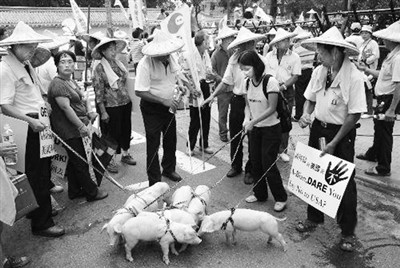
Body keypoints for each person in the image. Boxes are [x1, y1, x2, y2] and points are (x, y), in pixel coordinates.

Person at [296, 26, 366, 252]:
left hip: (341, 134)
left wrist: (335, 142)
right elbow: (310, 98)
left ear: (335, 53)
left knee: (343, 182)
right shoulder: (319, 72)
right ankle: (314, 218)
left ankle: (347, 232)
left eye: (321, 52)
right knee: (315, 174)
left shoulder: (353, 77)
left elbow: (354, 114)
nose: (318, 56)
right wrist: (306, 114)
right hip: (319, 129)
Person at [0, 21, 65, 237]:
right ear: (15, 46)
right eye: (27, 46)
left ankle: (37, 211)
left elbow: (33, 93)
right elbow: (5, 105)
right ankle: (42, 223)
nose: (31, 50)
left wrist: (44, 103)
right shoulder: (5, 68)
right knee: (35, 175)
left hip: (39, 123)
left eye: (34, 46)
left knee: (42, 173)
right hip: (28, 128)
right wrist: (30, 121)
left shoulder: (26, 64)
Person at [203, 27, 265, 184]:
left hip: (254, 102)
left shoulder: (260, 61)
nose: (247, 47)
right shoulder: (233, 60)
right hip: (237, 100)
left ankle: (250, 170)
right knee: (235, 134)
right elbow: (225, 82)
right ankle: (236, 165)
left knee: (252, 138)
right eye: (244, 44)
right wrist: (212, 96)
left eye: (250, 43)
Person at [48, 50, 108, 201]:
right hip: (68, 129)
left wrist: (89, 113)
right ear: (56, 65)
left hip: (77, 126)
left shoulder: (70, 81)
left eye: (70, 62)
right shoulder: (57, 84)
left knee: (75, 161)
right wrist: (81, 126)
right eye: (63, 62)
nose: (67, 65)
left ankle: (75, 191)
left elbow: (81, 99)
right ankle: (92, 192)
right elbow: (66, 108)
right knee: (80, 161)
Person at [135, 30, 186, 185]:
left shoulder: (171, 58)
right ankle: (154, 179)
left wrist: (181, 85)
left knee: (171, 139)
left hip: (170, 104)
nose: (166, 56)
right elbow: (139, 91)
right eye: (163, 53)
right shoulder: (145, 63)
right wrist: (162, 101)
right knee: (153, 142)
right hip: (152, 108)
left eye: (168, 53)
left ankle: (169, 169)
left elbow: (176, 75)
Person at [240, 50, 288, 212]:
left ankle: (281, 197)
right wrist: (247, 119)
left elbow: (272, 108)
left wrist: (253, 121)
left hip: (271, 129)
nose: (244, 71)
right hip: (256, 129)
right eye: (242, 68)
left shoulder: (270, 81)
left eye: (247, 68)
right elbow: (248, 105)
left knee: (268, 163)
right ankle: (259, 193)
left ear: (256, 65)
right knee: (255, 161)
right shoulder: (247, 82)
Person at [355, 20, 400, 176]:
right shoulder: (392, 56)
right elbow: (384, 75)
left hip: (387, 100)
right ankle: (373, 154)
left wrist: (392, 109)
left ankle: (383, 167)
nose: (383, 40)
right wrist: (366, 69)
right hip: (383, 99)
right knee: (378, 128)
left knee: (384, 132)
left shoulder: (398, 58)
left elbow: (399, 84)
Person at [92, 38, 136, 173]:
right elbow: (98, 91)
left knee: (125, 129)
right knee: (111, 134)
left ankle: (125, 153)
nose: (113, 52)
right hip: (111, 106)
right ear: (103, 51)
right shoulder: (99, 68)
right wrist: (103, 111)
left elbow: (125, 82)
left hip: (124, 102)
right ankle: (109, 159)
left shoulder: (118, 64)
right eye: (109, 49)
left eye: (114, 48)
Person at [264, 28, 301, 162]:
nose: (287, 42)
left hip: (287, 90)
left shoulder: (295, 57)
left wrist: (283, 86)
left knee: (285, 120)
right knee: (272, 118)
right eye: (283, 40)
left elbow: (295, 76)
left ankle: (283, 149)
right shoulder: (269, 56)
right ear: (277, 43)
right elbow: (266, 73)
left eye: (287, 40)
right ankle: (272, 147)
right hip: (271, 88)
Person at [187, 30, 215, 155]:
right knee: (195, 119)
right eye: (207, 41)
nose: (208, 43)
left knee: (206, 117)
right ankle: (190, 146)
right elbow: (186, 74)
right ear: (202, 42)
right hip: (195, 86)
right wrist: (193, 88)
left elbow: (209, 69)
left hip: (205, 85)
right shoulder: (191, 54)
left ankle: (204, 144)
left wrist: (211, 75)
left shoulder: (206, 54)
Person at [210, 27, 237, 142]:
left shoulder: (233, 52)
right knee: (223, 113)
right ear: (224, 40)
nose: (231, 41)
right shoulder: (215, 54)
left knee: (234, 113)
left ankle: (234, 131)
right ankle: (223, 133)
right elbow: (212, 71)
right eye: (230, 39)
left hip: (233, 88)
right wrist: (221, 79)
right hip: (222, 89)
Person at [292, 27, 315, 121]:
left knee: (299, 94)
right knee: (308, 94)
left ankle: (298, 114)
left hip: (300, 72)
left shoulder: (297, 48)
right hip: (309, 71)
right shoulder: (311, 48)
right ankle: (307, 113)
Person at [358, 25, 380, 119]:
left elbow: (376, 55)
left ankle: (369, 110)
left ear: (370, 34)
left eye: (366, 33)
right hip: (362, 68)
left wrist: (366, 60)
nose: (364, 35)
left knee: (368, 89)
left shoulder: (373, 43)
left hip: (369, 68)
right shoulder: (362, 43)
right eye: (362, 33)